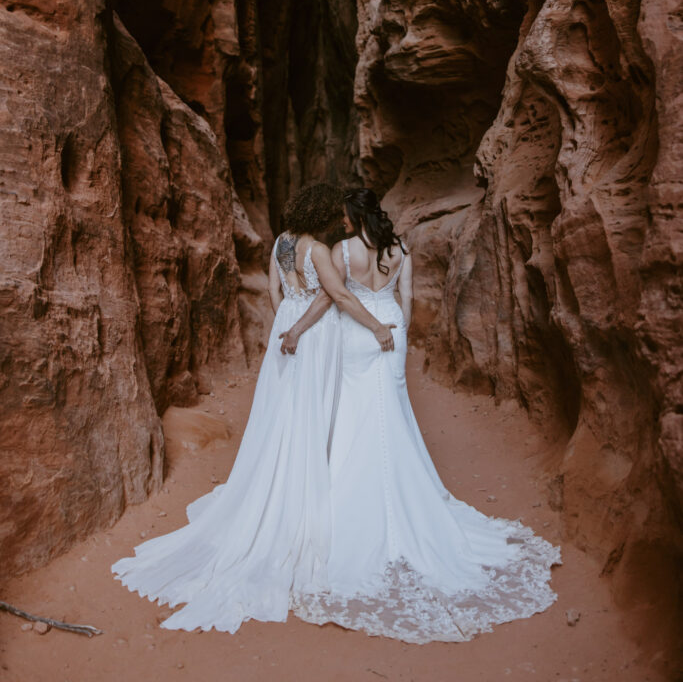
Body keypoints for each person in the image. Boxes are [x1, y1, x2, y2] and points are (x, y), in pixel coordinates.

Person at [112, 183, 395, 633]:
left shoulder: (282, 241)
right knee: (311, 414)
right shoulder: (318, 250)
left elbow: (274, 291)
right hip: (311, 335)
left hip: (285, 328)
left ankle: (277, 477)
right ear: (322, 212)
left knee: (280, 415)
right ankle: (307, 492)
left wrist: (286, 322)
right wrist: (327, 328)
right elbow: (336, 297)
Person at [284, 187, 561, 643]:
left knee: (356, 416)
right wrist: (398, 335)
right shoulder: (401, 250)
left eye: (346, 215)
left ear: (355, 215)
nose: (343, 221)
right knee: (393, 415)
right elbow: (407, 301)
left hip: (358, 334)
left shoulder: (340, 250)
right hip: (391, 330)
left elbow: (335, 298)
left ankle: (349, 499)